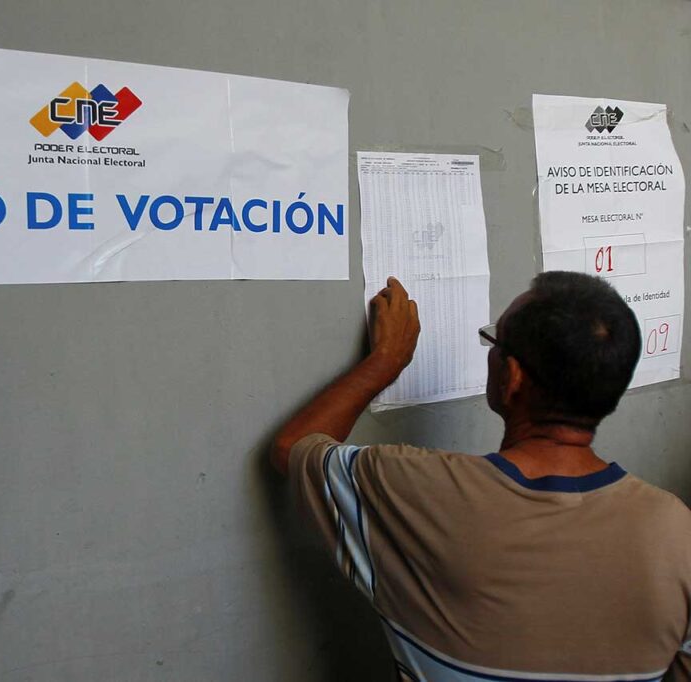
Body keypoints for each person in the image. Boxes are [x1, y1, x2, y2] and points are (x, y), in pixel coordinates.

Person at [271, 272, 691, 681]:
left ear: (512, 378)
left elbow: (294, 447)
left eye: (494, 342)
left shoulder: (417, 492)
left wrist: (385, 361)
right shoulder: (676, 531)